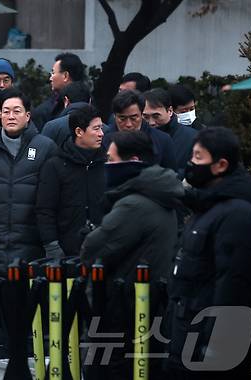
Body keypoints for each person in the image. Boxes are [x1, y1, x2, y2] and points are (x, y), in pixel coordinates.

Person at [80, 130, 183, 379]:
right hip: (150, 305)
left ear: (133, 161)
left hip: (123, 309)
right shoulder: (161, 196)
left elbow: (94, 248)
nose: (107, 167)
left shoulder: (134, 205)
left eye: (112, 161)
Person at [165, 127, 251, 380]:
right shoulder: (206, 206)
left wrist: (218, 347)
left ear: (220, 165)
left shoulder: (237, 214)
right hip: (189, 337)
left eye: (198, 158)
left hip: (211, 352)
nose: (191, 164)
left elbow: (233, 285)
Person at [0, 89, 57, 274]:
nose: (10, 116)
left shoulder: (45, 147)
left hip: (33, 244)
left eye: (17, 111)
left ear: (28, 116)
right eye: (5, 111)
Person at [36, 105, 106, 259]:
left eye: (101, 128)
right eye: (96, 129)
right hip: (66, 250)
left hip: (104, 249)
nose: (101, 134)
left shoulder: (107, 163)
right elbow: (45, 210)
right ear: (79, 132)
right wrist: (52, 246)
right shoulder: (55, 165)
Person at [103, 89, 177, 171]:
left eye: (133, 118)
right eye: (122, 118)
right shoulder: (103, 139)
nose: (128, 124)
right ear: (114, 116)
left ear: (142, 114)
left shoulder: (162, 140)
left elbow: (171, 176)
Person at [143, 88, 197, 175]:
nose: (151, 122)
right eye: (146, 117)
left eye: (156, 116)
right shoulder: (136, 137)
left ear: (170, 111)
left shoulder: (193, 138)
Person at [32, 52, 85, 128]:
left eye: (53, 73)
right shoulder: (43, 111)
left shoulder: (44, 111)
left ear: (65, 76)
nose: (50, 78)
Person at [41, 81, 92, 145]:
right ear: (90, 101)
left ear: (66, 101)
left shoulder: (52, 126)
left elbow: (42, 151)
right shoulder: (103, 129)